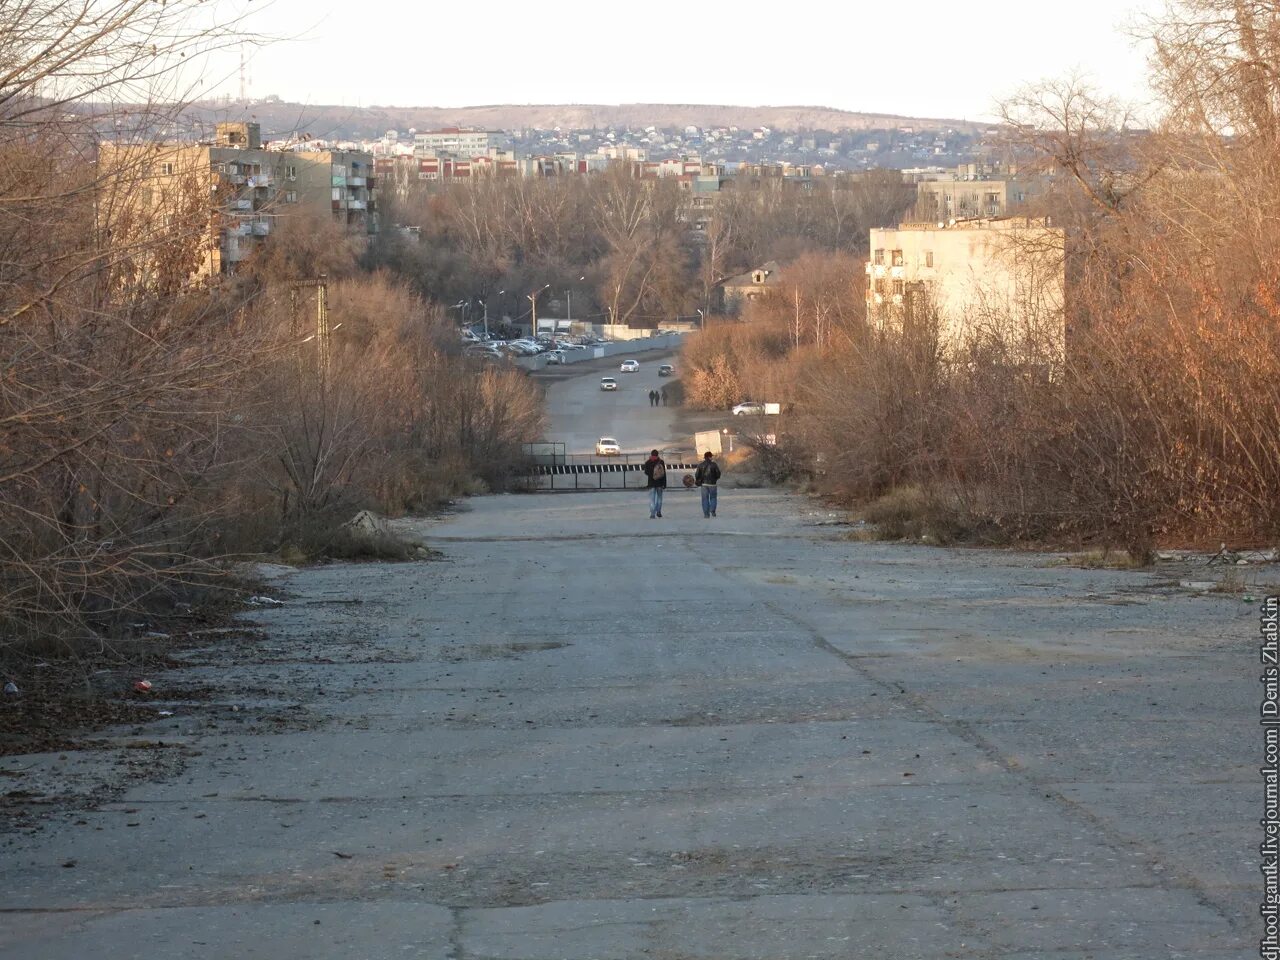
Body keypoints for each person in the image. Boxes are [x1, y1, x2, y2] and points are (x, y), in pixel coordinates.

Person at [694, 450, 721, 518]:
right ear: (709, 457)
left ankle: (706, 514)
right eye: (711, 456)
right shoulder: (714, 464)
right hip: (713, 484)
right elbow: (718, 474)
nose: (712, 458)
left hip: (704, 484)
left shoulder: (700, 465)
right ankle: (712, 510)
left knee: (705, 499)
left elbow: (697, 475)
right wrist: (715, 479)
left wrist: (699, 480)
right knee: (713, 498)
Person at [643, 449, 667, 518]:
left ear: (651, 454)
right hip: (660, 483)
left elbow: (646, 472)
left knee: (652, 499)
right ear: (657, 455)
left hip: (651, 483)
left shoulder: (648, 462)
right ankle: (658, 511)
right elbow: (663, 473)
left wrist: (652, 474)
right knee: (659, 498)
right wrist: (664, 484)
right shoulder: (661, 462)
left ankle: (652, 514)